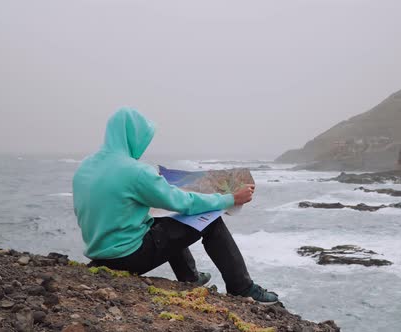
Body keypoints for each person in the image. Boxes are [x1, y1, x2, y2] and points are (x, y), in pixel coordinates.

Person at [72, 108, 278, 303]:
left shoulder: (86, 166)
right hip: (127, 257)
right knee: (210, 221)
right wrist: (230, 199)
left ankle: (190, 278)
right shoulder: (135, 171)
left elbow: (87, 211)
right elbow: (184, 203)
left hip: (99, 254)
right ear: (131, 137)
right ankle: (241, 287)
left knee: (161, 221)